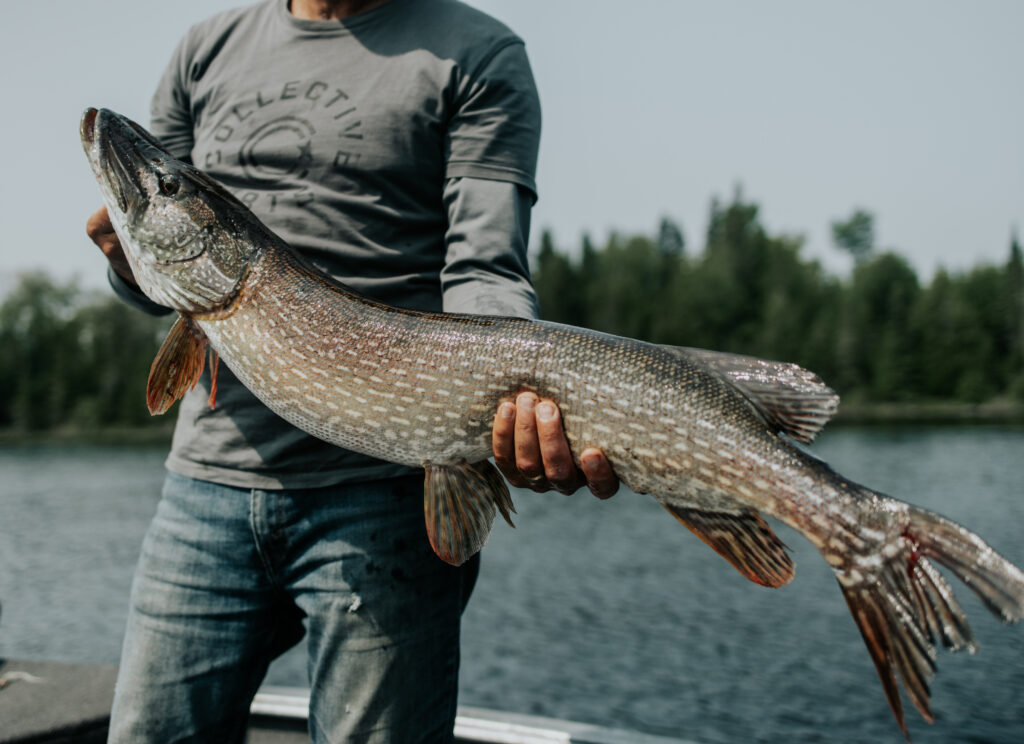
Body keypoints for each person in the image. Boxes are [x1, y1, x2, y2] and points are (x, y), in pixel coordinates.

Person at [85, 1, 618, 742]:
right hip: (204, 491)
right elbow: (165, 277)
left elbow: (485, 268)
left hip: (385, 495)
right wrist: (127, 264)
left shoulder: (478, 52)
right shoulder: (204, 51)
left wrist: (516, 393)